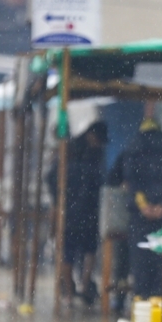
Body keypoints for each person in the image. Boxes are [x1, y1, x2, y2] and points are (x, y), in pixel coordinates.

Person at [108, 118, 162, 298]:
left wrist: (143, 205)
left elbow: (117, 177)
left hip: (139, 216)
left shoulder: (131, 148)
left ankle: (142, 300)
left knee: (141, 259)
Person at [47, 121, 108, 305]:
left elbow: (51, 178)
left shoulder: (69, 157)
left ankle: (74, 289)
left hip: (73, 211)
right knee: (83, 249)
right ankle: (77, 287)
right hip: (84, 210)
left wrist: (59, 200)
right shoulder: (82, 157)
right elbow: (101, 181)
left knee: (71, 250)